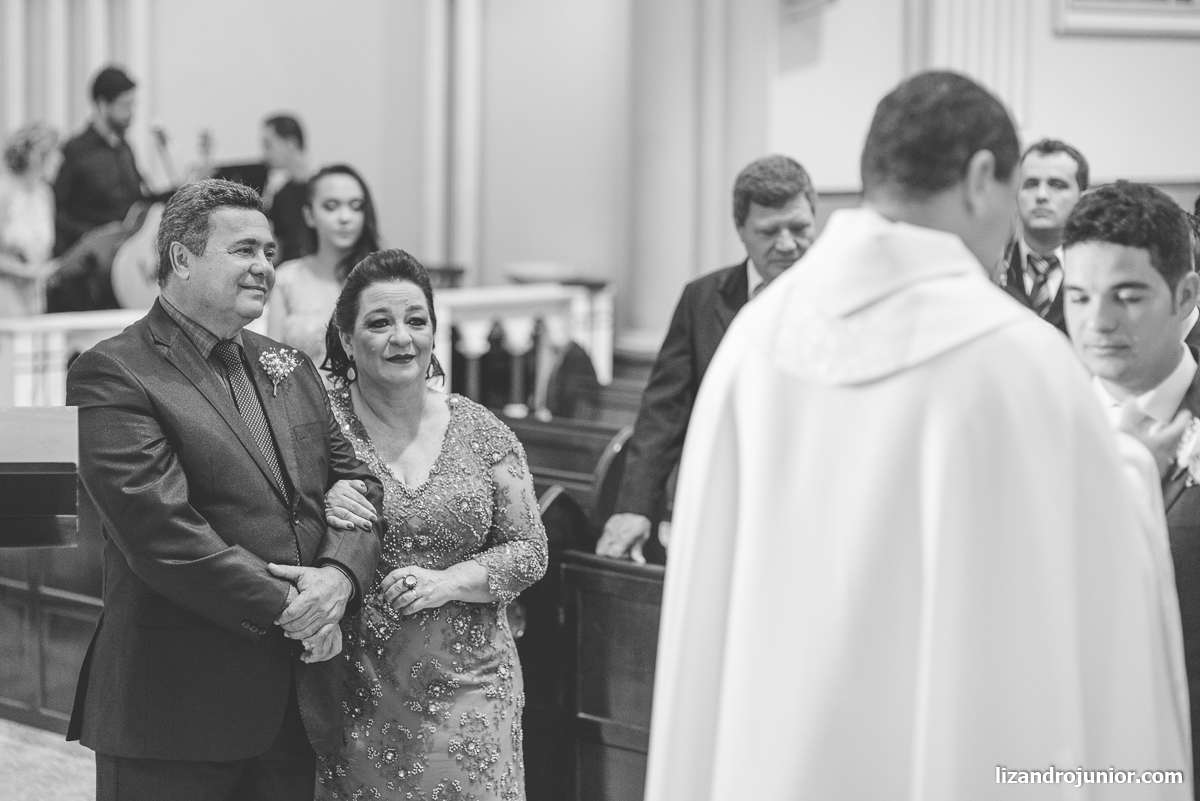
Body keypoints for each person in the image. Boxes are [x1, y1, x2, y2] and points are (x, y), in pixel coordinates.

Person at [644, 71, 1191, 800]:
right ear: (981, 177)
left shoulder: (756, 343)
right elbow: (1087, 621)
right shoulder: (1017, 357)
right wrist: (1129, 465)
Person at [66, 178, 385, 801]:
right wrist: (295, 607)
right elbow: (162, 534)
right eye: (243, 250)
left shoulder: (286, 365)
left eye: (268, 252)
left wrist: (339, 580)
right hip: (174, 708)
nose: (264, 266)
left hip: (291, 707)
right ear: (181, 257)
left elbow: (358, 483)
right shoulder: (114, 372)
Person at [315, 249, 549, 800]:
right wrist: (318, 501)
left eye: (416, 321)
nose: (402, 337)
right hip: (358, 687)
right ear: (347, 340)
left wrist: (448, 582)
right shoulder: (318, 430)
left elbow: (530, 548)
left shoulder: (477, 428)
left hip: (474, 687)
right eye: (380, 323)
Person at [596, 154, 816, 562]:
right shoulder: (702, 299)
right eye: (770, 231)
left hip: (809, 502)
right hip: (722, 499)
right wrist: (634, 506)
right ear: (741, 230)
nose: (788, 244)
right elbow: (665, 410)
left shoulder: (840, 301)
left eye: (800, 228)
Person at [1062, 181, 1200, 796]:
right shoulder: (1038, 427)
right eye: (1079, 296)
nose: (1098, 323)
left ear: (1186, 295)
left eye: (1128, 295)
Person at [267, 164, 380, 368]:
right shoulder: (287, 279)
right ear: (309, 215)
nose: (345, 218)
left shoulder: (379, 279)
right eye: (331, 206)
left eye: (356, 207)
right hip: (297, 397)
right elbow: (272, 364)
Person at [53, 66, 146, 258]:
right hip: (91, 258)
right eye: (124, 105)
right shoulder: (75, 150)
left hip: (126, 252)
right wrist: (91, 235)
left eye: (133, 104)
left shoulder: (125, 148)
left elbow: (138, 198)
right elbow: (57, 212)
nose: (131, 113)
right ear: (102, 105)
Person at [999, 138, 1089, 333]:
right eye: (1030, 184)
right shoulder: (991, 270)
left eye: (1057, 185)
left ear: (1081, 198)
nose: (1041, 195)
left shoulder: (1097, 272)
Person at [0, 123, 57, 316]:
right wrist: (23, 271)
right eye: (54, 154)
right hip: (5, 290)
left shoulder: (45, 193)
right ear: (36, 156)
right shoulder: (3, 191)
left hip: (35, 292)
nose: (60, 160)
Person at [262, 114, 311, 264]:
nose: (265, 154)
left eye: (268, 145)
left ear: (291, 143)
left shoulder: (319, 190)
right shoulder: (280, 194)